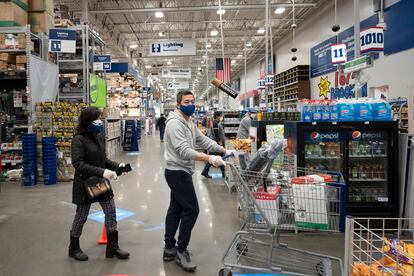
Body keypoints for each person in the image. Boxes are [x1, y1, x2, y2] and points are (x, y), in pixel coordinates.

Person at [163, 91, 232, 272]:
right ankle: (181, 249)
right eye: (187, 101)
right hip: (176, 171)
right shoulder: (174, 124)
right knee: (192, 209)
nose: (191, 104)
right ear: (178, 104)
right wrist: (209, 159)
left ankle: (169, 247)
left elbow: (203, 140)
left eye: (193, 101)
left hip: (182, 171)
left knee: (176, 208)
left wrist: (223, 150)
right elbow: (183, 151)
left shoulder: (189, 121)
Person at [69, 107, 129, 261]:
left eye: (100, 118)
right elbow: (78, 163)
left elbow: (103, 160)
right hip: (84, 184)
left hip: (100, 183)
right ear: (87, 121)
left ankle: (113, 247)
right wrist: (102, 172)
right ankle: (74, 248)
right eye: (96, 119)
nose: (99, 122)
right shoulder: (78, 139)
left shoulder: (98, 137)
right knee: (81, 216)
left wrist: (117, 166)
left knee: (111, 211)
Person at [201, 111, 226, 179]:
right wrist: (219, 143)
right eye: (221, 115)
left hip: (216, 144)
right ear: (218, 116)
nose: (222, 117)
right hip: (216, 144)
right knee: (220, 158)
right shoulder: (215, 123)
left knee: (216, 158)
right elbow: (216, 134)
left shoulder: (216, 123)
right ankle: (224, 173)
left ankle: (205, 172)